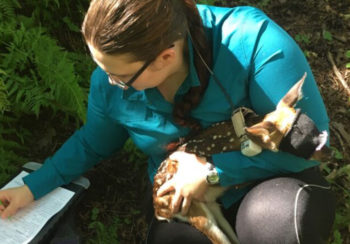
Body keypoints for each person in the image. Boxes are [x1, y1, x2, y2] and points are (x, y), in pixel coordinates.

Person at [0, 0, 335, 243]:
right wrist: (31, 187)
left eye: (120, 77)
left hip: (272, 181)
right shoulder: (110, 80)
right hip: (184, 199)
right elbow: (92, 142)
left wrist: (213, 170)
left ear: (165, 57)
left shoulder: (253, 43)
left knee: (273, 223)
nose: (107, 82)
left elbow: (310, 142)